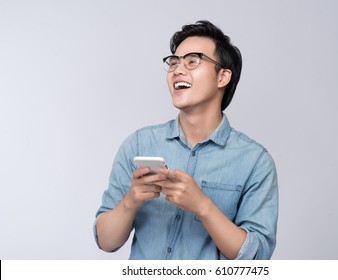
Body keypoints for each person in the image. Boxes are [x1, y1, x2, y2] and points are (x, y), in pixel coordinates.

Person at [94, 20, 278, 260]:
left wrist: (202, 205)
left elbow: (256, 258)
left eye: (192, 61)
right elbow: (106, 242)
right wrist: (131, 200)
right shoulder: (138, 144)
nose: (177, 70)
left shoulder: (255, 161)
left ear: (222, 77)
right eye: (173, 62)